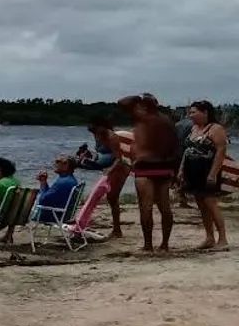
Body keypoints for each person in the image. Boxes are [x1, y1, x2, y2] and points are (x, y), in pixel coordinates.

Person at [117, 93, 180, 252]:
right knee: (165, 208)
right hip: (165, 166)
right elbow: (176, 146)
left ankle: (148, 245)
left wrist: (137, 97)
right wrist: (176, 169)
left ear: (144, 106)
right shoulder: (167, 121)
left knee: (146, 207)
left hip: (145, 166)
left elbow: (122, 102)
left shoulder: (143, 119)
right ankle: (165, 244)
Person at [178, 100, 229, 251]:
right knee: (201, 205)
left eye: (193, 112)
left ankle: (223, 239)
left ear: (205, 112)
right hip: (192, 171)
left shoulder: (215, 129)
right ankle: (209, 237)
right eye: (190, 112)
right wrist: (181, 170)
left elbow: (221, 152)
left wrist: (213, 174)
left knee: (211, 203)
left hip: (208, 171)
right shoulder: (194, 128)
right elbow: (187, 152)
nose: (190, 115)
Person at [79, 116, 128, 239]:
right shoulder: (98, 135)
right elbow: (102, 154)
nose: (94, 133)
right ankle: (116, 228)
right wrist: (89, 156)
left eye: (95, 130)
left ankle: (117, 229)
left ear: (102, 126)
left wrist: (110, 170)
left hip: (120, 168)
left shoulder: (112, 137)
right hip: (107, 166)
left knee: (112, 197)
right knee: (111, 198)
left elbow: (119, 158)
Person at [34, 155, 80, 224]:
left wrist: (43, 185)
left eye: (58, 161)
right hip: (60, 214)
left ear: (66, 165)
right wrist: (43, 182)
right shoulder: (69, 180)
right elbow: (50, 196)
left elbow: (43, 200)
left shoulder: (63, 182)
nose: (55, 163)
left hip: (53, 216)